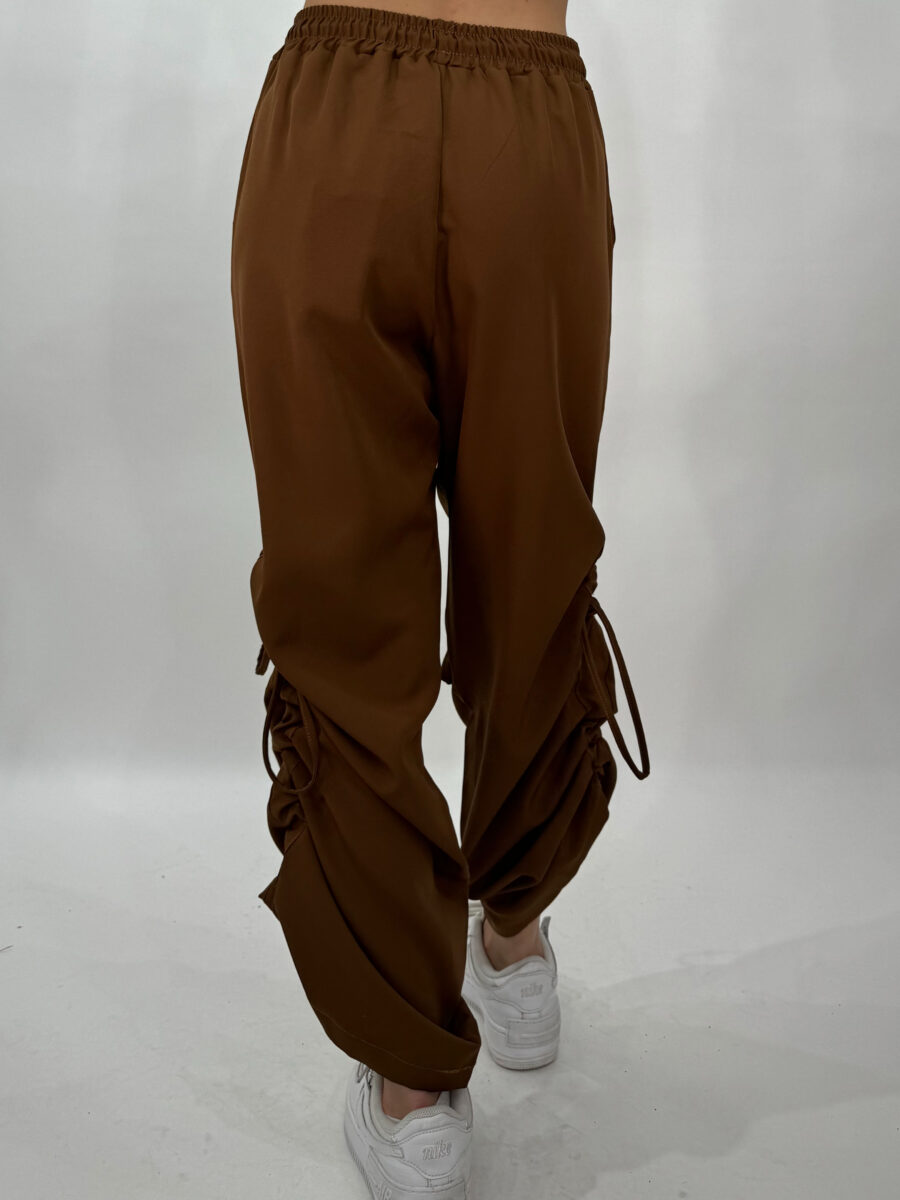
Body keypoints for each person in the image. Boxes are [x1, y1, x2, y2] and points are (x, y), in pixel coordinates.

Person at [230, 2, 650, 1194]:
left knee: (342, 597)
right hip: (530, 123)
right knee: (534, 557)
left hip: (335, 121)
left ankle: (413, 1088)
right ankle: (511, 941)